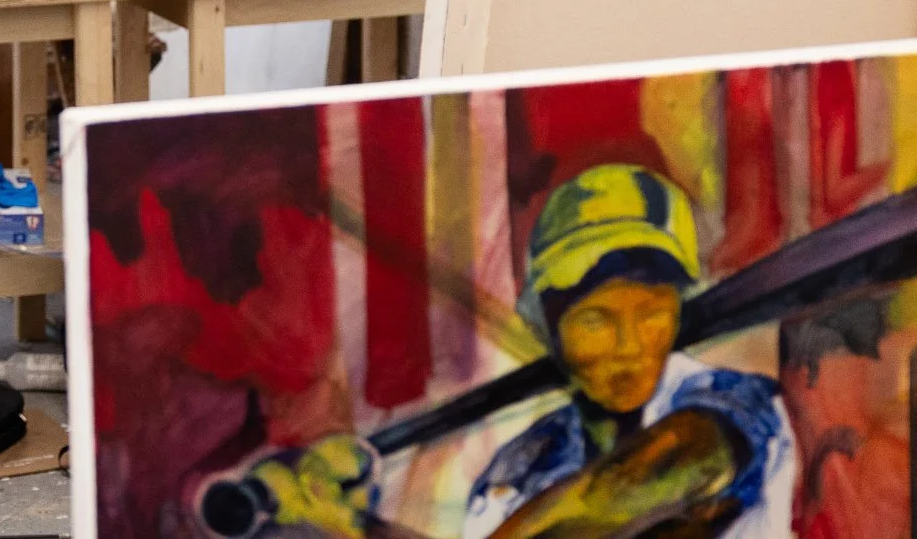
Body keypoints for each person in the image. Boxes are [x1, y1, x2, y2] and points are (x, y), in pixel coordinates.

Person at [244, 165, 794, 539]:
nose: (631, 346)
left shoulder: (731, 405)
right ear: (548, 326)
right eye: (596, 320)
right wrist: (346, 522)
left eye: (653, 312)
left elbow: (626, 490)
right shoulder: (524, 464)